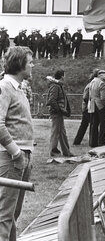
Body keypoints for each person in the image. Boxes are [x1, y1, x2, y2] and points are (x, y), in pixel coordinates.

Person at [0, 46, 34, 240]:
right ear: (20, 64)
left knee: (13, 214)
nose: (32, 65)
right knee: (4, 215)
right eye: (30, 62)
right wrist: (16, 153)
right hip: (12, 157)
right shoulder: (4, 87)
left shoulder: (17, 88)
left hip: (22, 155)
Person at [46, 70, 74, 157]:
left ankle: (66, 152)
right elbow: (52, 100)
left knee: (62, 132)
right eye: (64, 76)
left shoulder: (57, 85)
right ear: (62, 76)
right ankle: (53, 152)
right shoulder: (55, 86)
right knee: (55, 132)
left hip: (58, 112)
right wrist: (59, 110)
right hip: (56, 112)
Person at [73, 70, 98, 145]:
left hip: (86, 108)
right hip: (87, 108)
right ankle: (92, 141)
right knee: (93, 124)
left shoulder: (90, 84)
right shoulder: (90, 85)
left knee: (84, 125)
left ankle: (77, 141)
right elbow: (85, 97)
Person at [88, 69, 105, 147]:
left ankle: (93, 142)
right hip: (101, 106)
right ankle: (102, 140)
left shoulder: (92, 82)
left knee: (94, 124)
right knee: (104, 124)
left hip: (93, 105)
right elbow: (103, 98)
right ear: (100, 75)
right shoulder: (102, 83)